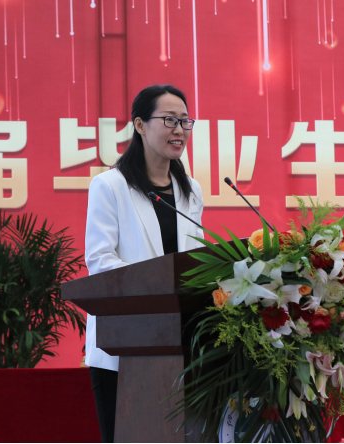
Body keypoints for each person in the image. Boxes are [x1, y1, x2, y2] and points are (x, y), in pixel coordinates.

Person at [83, 84, 204, 442]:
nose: (179, 129)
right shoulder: (110, 186)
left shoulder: (190, 190)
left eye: (185, 121)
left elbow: (193, 259)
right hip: (124, 345)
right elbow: (100, 260)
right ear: (139, 125)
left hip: (181, 342)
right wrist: (158, 283)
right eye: (169, 120)